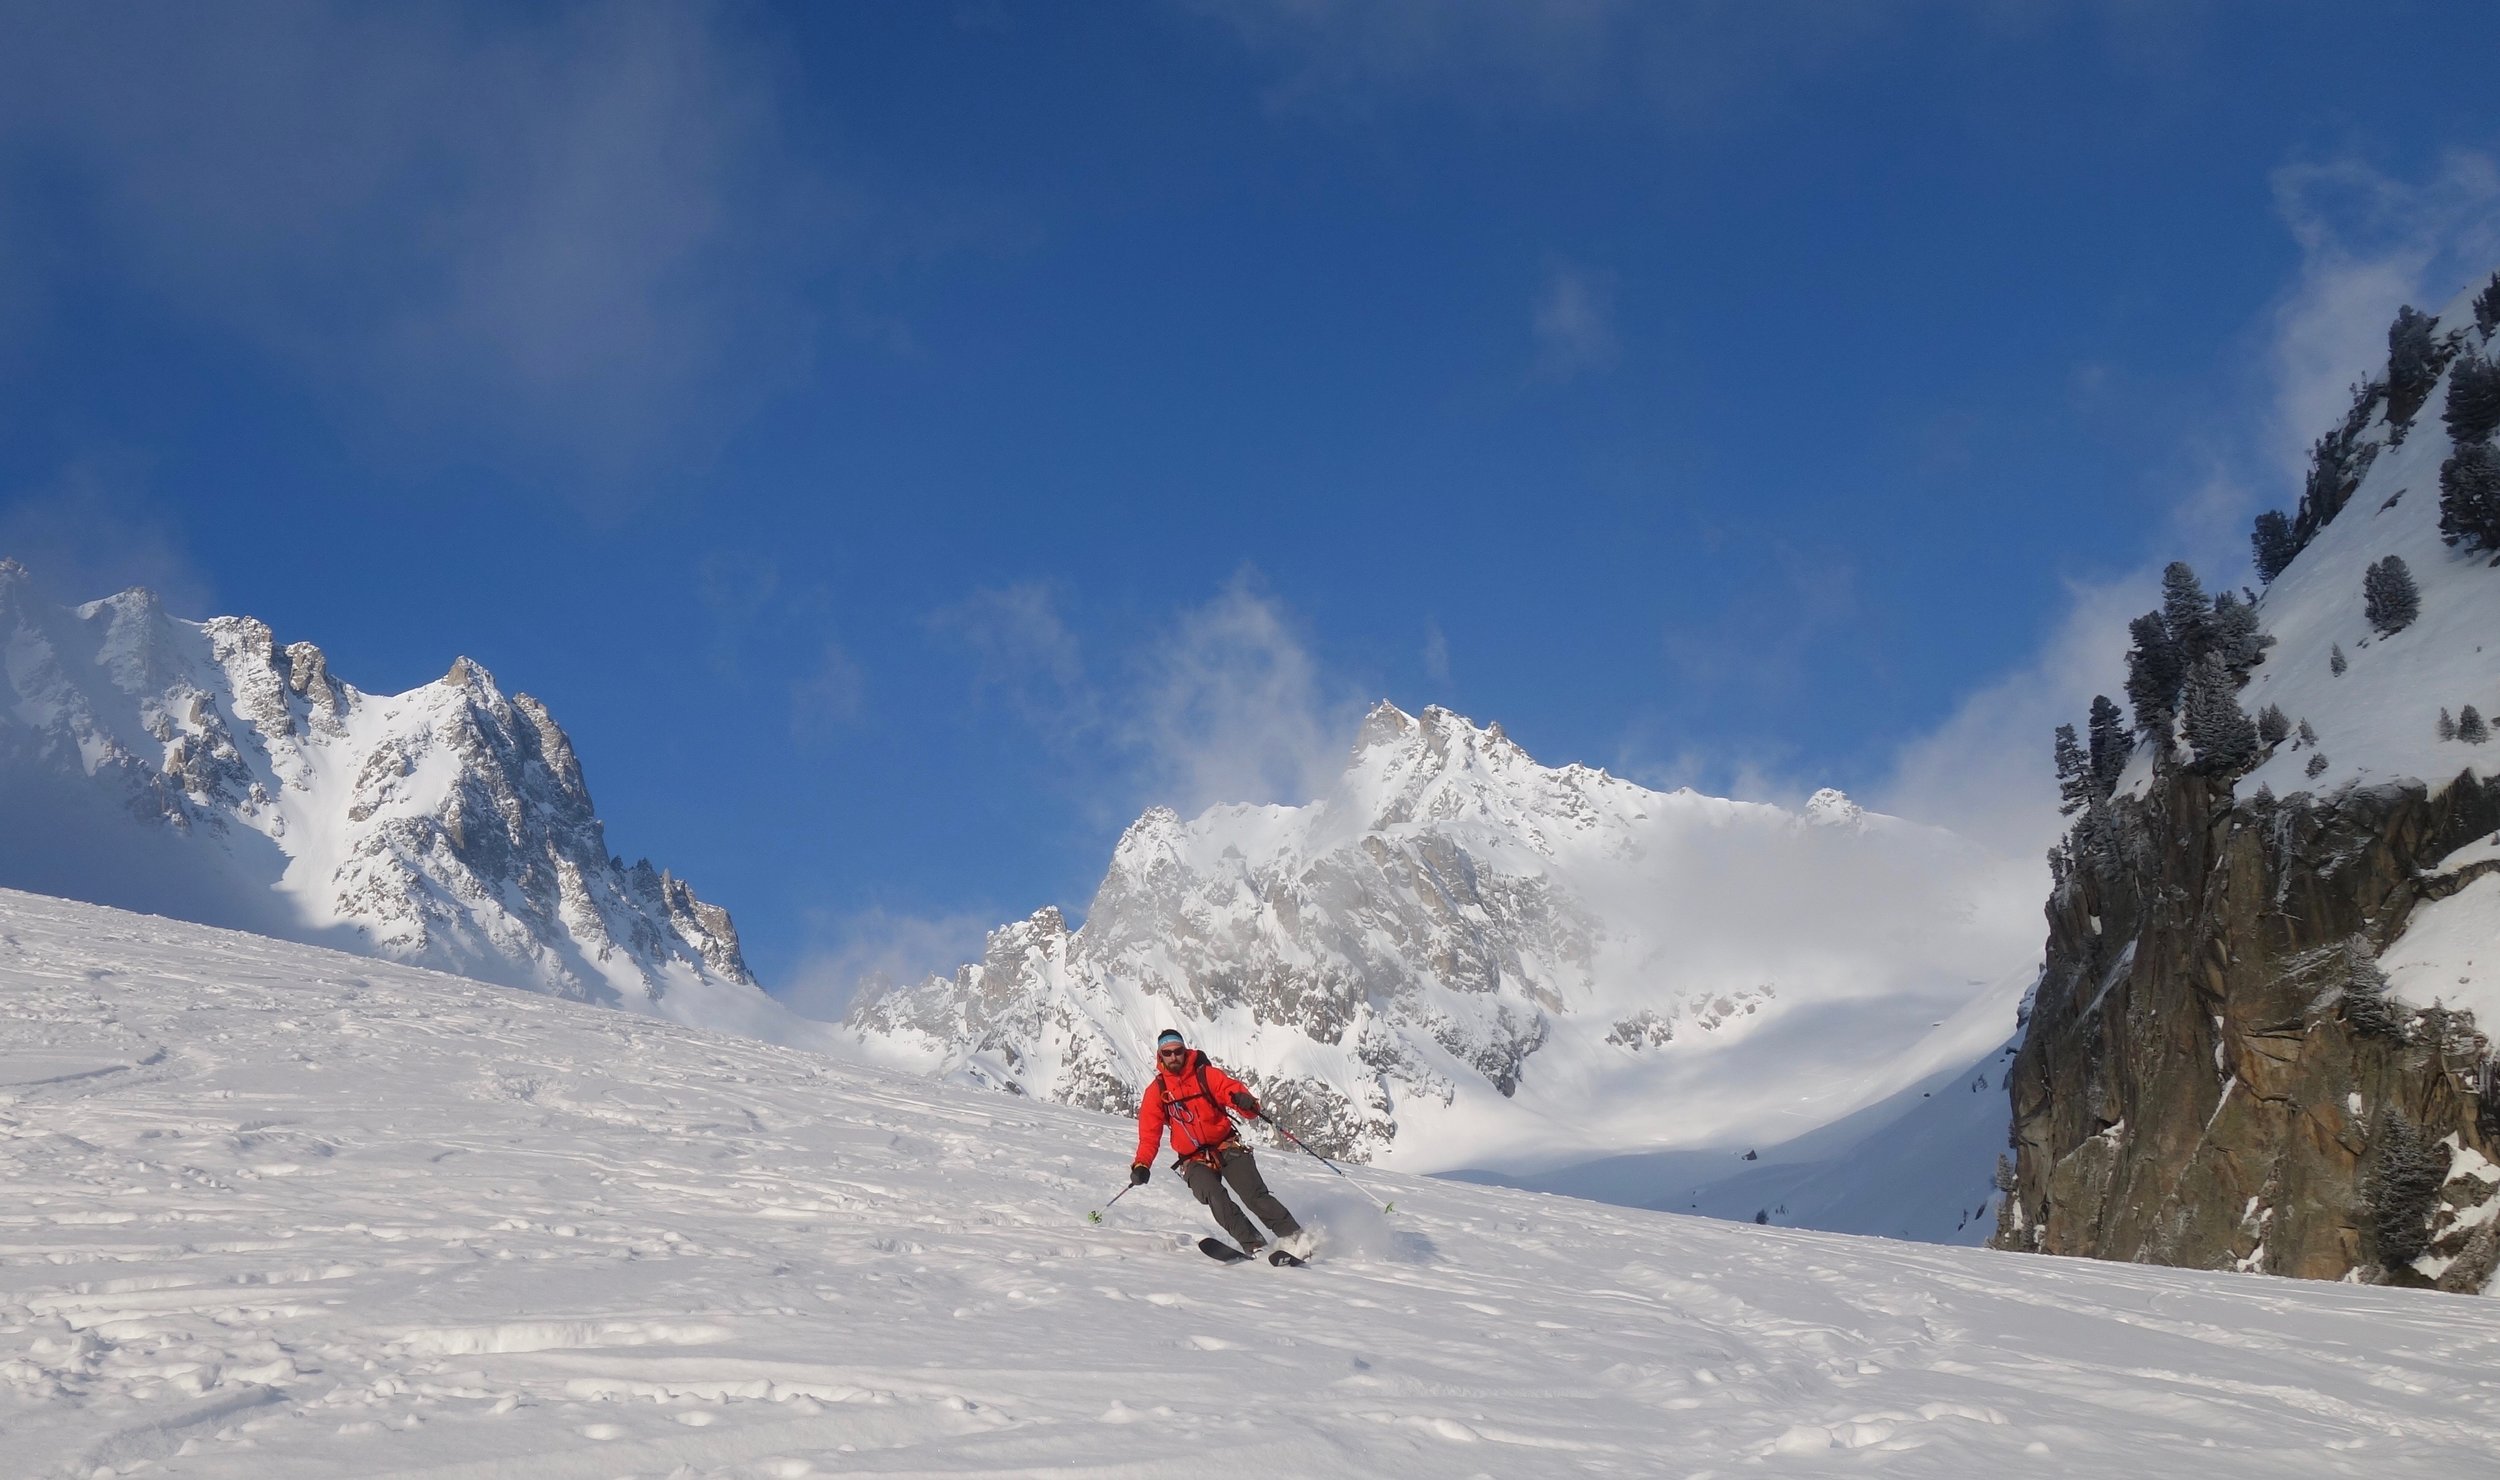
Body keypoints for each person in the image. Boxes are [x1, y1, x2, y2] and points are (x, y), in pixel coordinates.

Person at [1131, 1029, 1309, 1257]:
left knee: (1254, 1195)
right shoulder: (1157, 1092)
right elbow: (1149, 1134)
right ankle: (1254, 1244)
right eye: (1168, 1053)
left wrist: (1245, 1102)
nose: (1173, 1057)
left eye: (1178, 1051)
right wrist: (1141, 1165)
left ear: (1184, 1051)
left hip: (1226, 1145)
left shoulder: (1205, 1075)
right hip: (1193, 1158)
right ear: (1160, 1056)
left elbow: (1231, 1090)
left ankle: (1296, 1239)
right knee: (1215, 1195)